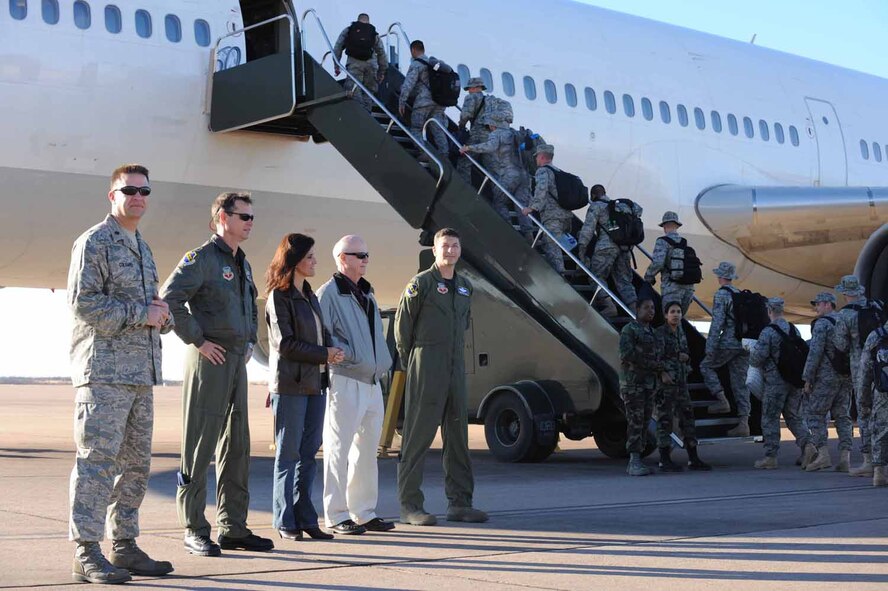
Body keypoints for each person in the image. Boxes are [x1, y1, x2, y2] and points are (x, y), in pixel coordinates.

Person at [67, 164, 174, 584]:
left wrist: (162, 317)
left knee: (136, 466)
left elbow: (150, 310)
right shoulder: (95, 241)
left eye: (145, 190)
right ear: (112, 195)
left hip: (139, 374)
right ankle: (86, 551)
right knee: (97, 463)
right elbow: (85, 304)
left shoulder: (142, 248)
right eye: (129, 189)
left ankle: (124, 545)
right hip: (104, 373)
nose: (138, 197)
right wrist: (141, 314)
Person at [160, 192, 273, 556]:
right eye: (244, 216)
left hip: (235, 361)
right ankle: (194, 527)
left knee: (236, 446)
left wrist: (248, 342)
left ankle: (234, 527)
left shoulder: (243, 263)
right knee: (200, 445)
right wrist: (199, 341)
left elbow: (250, 309)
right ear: (222, 218)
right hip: (209, 361)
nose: (250, 222)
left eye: (252, 216)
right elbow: (170, 299)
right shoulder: (202, 259)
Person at [395, 228, 488, 525]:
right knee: (417, 436)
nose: (450, 251)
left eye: (455, 246)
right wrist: (416, 362)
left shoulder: (464, 287)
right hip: (427, 363)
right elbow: (402, 330)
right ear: (434, 250)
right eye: (445, 246)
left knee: (458, 436)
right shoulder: (420, 284)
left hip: (455, 366)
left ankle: (460, 503)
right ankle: (410, 505)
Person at [265, 233, 345, 541]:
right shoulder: (279, 297)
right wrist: (323, 354)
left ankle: (306, 518)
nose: (315, 261)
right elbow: (284, 344)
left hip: (315, 385)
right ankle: (284, 519)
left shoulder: (310, 296)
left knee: (310, 454)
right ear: (295, 260)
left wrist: (333, 349)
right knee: (288, 455)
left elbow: (318, 336)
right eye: (310, 257)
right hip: (290, 386)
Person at [317, 236, 396, 535]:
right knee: (339, 449)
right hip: (346, 378)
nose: (365, 259)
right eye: (359, 254)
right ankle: (336, 515)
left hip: (372, 382)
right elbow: (320, 333)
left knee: (366, 451)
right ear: (341, 258)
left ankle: (363, 511)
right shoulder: (328, 294)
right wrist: (345, 355)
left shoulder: (368, 293)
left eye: (367, 254)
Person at [749, 298, 814, 469]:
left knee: (770, 417)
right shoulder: (794, 329)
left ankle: (771, 457)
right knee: (794, 416)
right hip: (794, 381)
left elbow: (757, 359)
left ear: (769, 310)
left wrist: (750, 350)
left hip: (775, 383)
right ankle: (808, 446)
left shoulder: (768, 332)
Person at [655, 301, 712, 472]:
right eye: (672, 312)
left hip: (681, 383)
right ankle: (664, 459)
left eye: (678, 312)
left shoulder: (681, 331)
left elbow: (685, 352)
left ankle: (693, 458)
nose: (676, 314)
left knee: (688, 419)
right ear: (666, 315)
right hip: (666, 385)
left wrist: (685, 360)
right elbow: (655, 357)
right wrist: (662, 373)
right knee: (665, 421)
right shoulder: (660, 333)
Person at [460, 113, 534, 240]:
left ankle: (509, 231)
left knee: (499, 202)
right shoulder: (514, 133)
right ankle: (529, 235)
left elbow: (490, 146)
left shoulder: (497, 134)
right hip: (524, 176)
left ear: (493, 124)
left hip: (509, 175)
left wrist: (469, 147)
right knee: (521, 206)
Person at [834, 274, 879, 477]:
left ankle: (870, 461)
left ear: (844, 293)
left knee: (864, 413)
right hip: (881, 366)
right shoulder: (875, 307)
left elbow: (841, 345)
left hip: (861, 370)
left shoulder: (844, 315)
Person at [803, 292, 853, 472]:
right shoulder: (845, 320)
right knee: (843, 416)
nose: (815, 308)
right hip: (846, 376)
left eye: (817, 304)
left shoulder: (822, 324)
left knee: (815, 414)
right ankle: (845, 457)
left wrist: (808, 378)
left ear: (827, 304)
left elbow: (814, 353)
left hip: (825, 378)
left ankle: (823, 455)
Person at [619, 296, 669, 476]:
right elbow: (627, 354)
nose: (651, 311)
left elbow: (659, 357)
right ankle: (633, 461)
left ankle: (638, 458)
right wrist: (655, 366)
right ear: (637, 309)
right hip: (634, 385)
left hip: (649, 385)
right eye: (647, 308)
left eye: (653, 308)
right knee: (635, 421)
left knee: (645, 421)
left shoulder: (654, 333)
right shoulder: (629, 330)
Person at [699, 262, 751, 432]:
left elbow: (717, 323)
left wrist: (710, 346)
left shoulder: (722, 295)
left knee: (706, 366)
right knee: (740, 383)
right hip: (744, 344)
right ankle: (744, 423)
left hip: (729, 341)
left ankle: (722, 400)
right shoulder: (740, 294)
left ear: (720, 277)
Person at [577, 184, 639, 315]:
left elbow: (587, 230)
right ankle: (636, 311)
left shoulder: (596, 206)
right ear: (605, 192)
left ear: (593, 196)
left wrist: (581, 250)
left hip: (606, 247)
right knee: (624, 281)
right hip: (625, 248)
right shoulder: (621, 207)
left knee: (595, 275)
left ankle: (608, 304)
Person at [521, 144, 574, 274]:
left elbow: (541, 190)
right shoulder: (558, 171)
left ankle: (560, 276)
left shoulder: (543, 171)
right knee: (551, 242)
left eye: (537, 156)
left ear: (542, 156)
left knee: (551, 246)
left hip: (552, 216)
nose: (536, 159)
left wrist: (532, 208)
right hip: (566, 216)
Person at [399, 40, 449, 158]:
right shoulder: (435, 64)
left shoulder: (417, 64)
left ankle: (424, 153)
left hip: (423, 102)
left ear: (413, 50)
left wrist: (402, 101)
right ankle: (445, 156)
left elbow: (408, 85)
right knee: (438, 130)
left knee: (416, 128)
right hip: (439, 103)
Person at [644, 211, 696, 315]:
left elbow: (658, 263)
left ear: (664, 226)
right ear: (677, 226)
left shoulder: (662, 241)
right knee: (679, 320)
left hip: (671, 288)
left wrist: (648, 277)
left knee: (670, 321)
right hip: (688, 289)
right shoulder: (685, 242)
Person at [333, 13, 387, 112]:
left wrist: (336, 65)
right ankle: (368, 118)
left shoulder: (349, 30)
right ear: (368, 21)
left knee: (354, 91)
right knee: (368, 93)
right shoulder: (373, 33)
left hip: (354, 64)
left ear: (358, 20)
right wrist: (381, 72)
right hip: (371, 66)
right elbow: (381, 53)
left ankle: (359, 115)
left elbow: (338, 47)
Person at [858, 317, 888, 487]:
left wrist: (863, 400)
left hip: (882, 392)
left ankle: (879, 473)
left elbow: (865, 372)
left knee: (880, 430)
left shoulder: (876, 336)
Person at [456, 77, 491, 182]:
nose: (469, 91)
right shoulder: (489, 100)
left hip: (477, 135)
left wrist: (461, 126)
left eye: (470, 88)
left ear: (476, 87)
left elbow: (466, 115)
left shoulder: (471, 98)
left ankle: (463, 187)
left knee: (464, 162)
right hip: (489, 137)